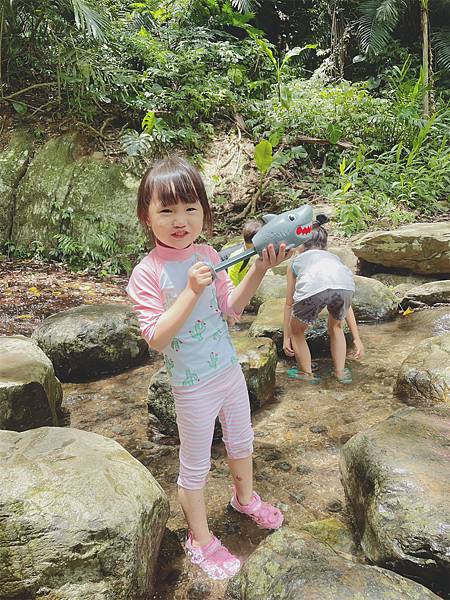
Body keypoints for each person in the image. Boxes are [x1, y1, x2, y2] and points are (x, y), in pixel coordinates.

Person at [127, 157, 290, 580]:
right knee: (195, 465)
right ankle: (200, 540)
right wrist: (188, 291)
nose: (179, 220)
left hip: (228, 372)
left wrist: (258, 268)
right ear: (147, 216)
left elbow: (231, 310)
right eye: (166, 210)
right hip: (192, 385)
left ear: (204, 211)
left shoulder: (207, 253)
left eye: (190, 208)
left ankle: (245, 499)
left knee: (242, 440)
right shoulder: (148, 273)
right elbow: (156, 338)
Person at [283, 217, 364, 384]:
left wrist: (287, 336)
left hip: (314, 289)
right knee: (336, 326)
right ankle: (340, 373)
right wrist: (356, 337)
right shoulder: (335, 260)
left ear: (302, 244)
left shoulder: (296, 262)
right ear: (324, 244)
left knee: (297, 331)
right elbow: (347, 306)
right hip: (346, 287)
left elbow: (289, 303)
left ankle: (307, 375)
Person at [227, 219, 262, 287]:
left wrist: (243, 286)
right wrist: (236, 290)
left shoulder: (248, 251)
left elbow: (241, 271)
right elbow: (231, 274)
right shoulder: (239, 255)